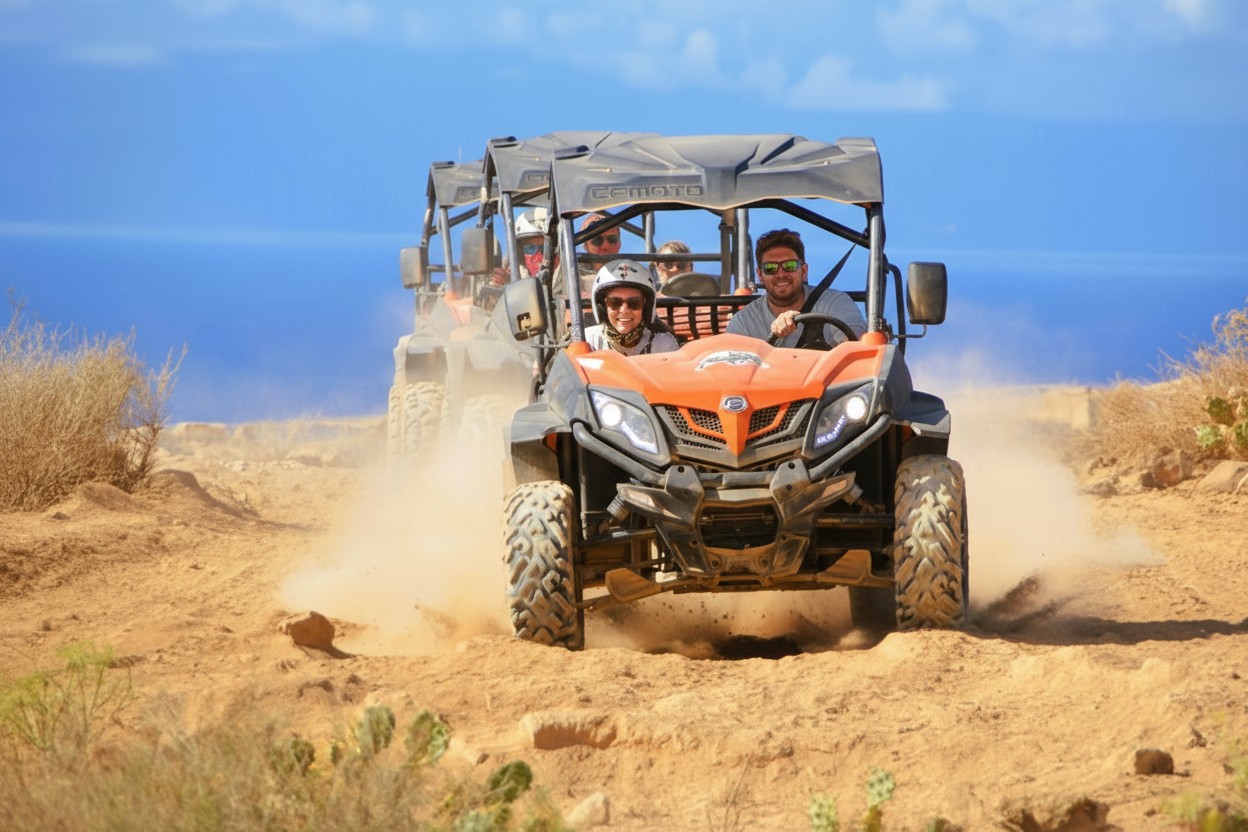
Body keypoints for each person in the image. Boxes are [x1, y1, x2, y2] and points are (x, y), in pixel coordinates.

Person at [725, 228, 867, 347]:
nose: (781, 274)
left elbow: (856, 346)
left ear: (804, 271)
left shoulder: (836, 303)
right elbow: (732, 368)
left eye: (789, 266)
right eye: (770, 268)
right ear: (760, 275)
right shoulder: (744, 322)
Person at [585, 259, 680, 356]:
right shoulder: (589, 341)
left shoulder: (663, 344)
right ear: (603, 307)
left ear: (646, 307)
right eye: (615, 303)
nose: (624, 310)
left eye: (634, 303)